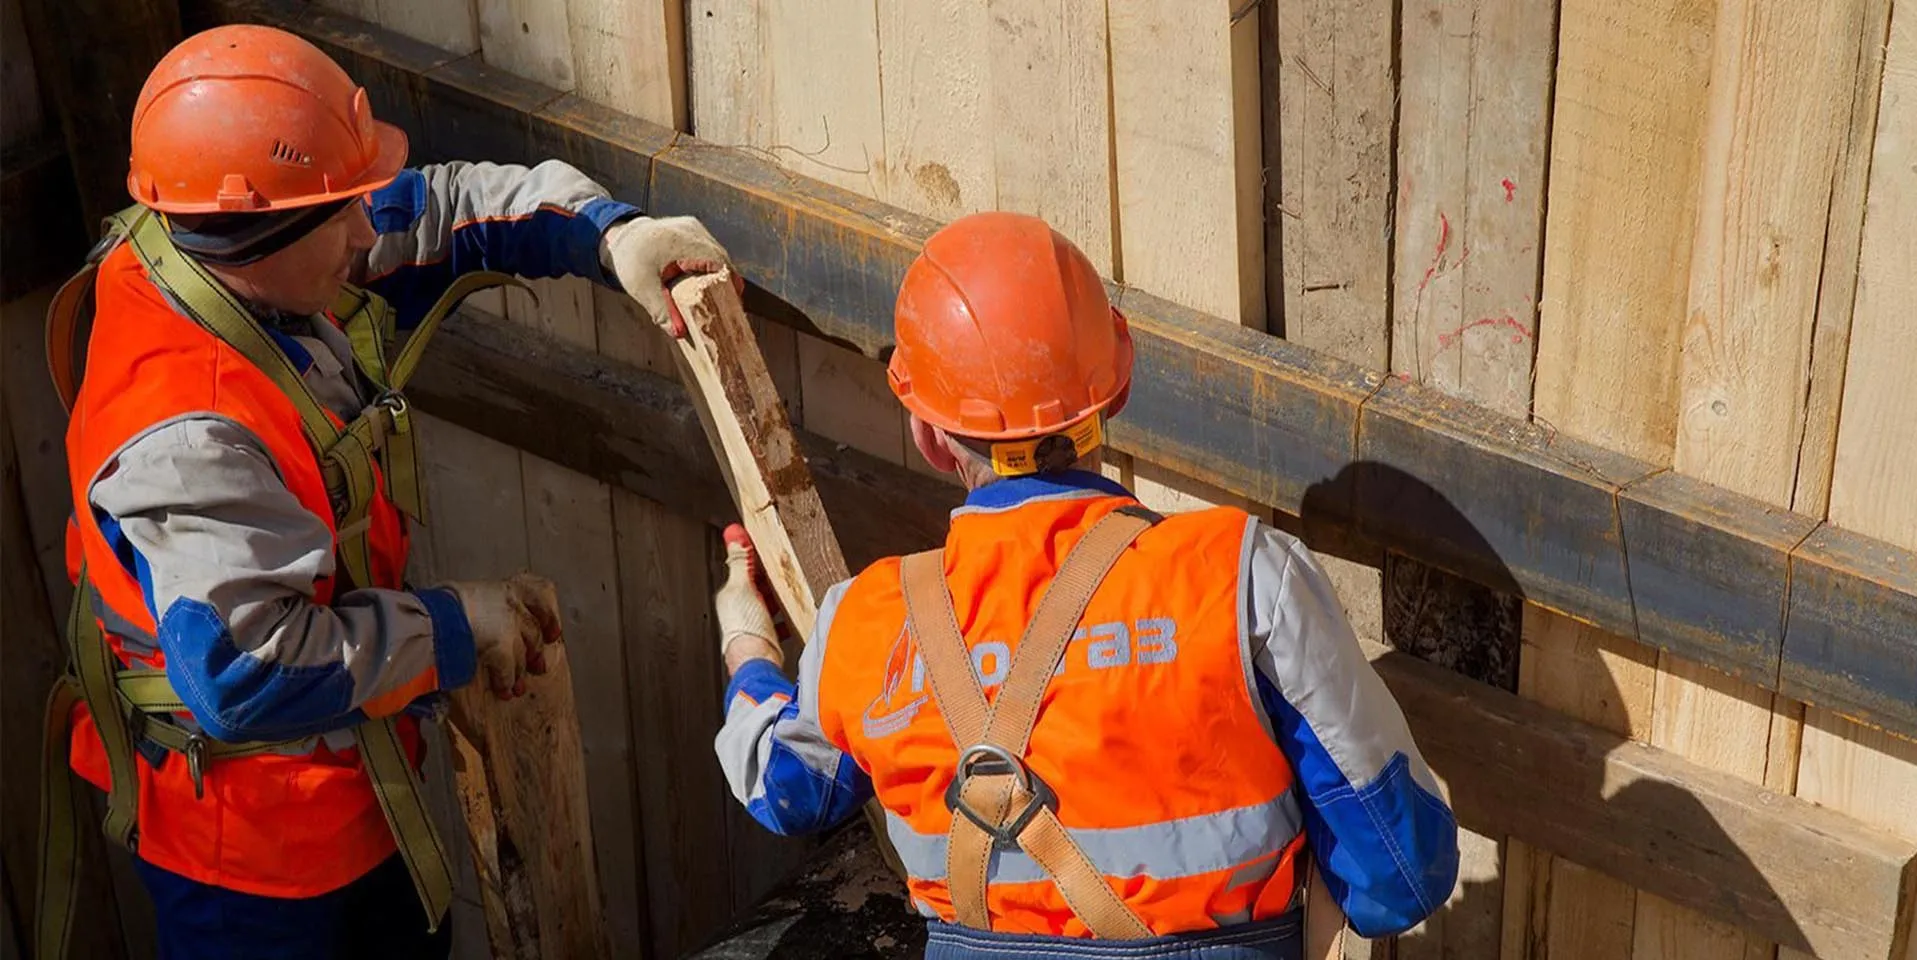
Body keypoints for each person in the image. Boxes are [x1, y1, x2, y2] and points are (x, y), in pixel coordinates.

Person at [45, 23, 729, 960]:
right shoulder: (190, 431)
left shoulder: (229, 252)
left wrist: (610, 235)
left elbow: (436, 212)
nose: (369, 232)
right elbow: (249, 674)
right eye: (344, 215)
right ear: (254, 236)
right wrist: (453, 626)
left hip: (359, 796)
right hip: (255, 870)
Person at [711, 211, 1459, 958]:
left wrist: (747, 643)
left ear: (929, 435)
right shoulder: (1241, 579)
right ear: (1116, 389)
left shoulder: (864, 623)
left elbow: (786, 790)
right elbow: (1399, 876)